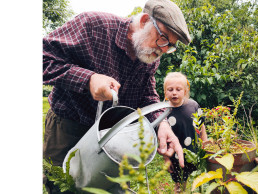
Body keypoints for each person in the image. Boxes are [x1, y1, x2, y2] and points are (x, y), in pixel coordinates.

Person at [43, 0, 191, 170]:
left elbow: (147, 96)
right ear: (144, 21)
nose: (164, 50)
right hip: (68, 128)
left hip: (114, 135)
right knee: (63, 184)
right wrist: (88, 79)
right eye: (164, 38)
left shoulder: (149, 56)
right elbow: (43, 57)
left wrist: (161, 124)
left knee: (108, 186)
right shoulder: (93, 26)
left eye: (170, 45)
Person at [162, 72, 208, 193]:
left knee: (199, 178)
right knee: (180, 182)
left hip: (194, 152)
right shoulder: (163, 111)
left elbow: (201, 125)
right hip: (175, 156)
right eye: (170, 89)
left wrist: (206, 142)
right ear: (165, 92)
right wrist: (166, 158)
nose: (174, 93)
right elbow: (162, 139)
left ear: (185, 91)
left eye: (178, 89)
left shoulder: (193, 106)